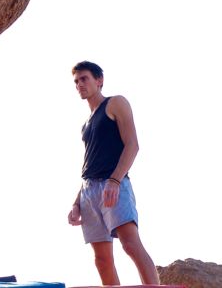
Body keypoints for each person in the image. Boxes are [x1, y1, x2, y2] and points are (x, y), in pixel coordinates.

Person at [66, 61, 160, 285]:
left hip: (113, 184)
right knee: (101, 260)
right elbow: (89, 164)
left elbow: (132, 145)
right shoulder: (86, 124)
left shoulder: (115, 103)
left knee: (130, 245)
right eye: (76, 81)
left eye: (84, 78)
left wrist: (115, 180)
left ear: (99, 80)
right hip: (89, 190)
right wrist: (76, 202)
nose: (79, 84)